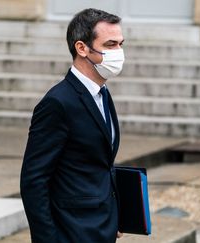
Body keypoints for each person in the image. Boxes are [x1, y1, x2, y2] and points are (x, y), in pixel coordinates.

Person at [20, 8, 125, 243]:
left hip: (101, 228)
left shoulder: (102, 94)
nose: (118, 52)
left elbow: (99, 164)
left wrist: (115, 214)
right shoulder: (57, 103)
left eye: (120, 44)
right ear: (82, 48)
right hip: (71, 233)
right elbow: (33, 180)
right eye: (110, 44)